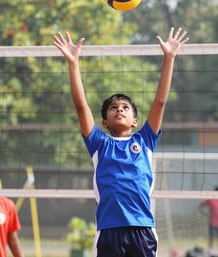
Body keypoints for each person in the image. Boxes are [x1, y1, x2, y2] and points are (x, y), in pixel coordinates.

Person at [53, 27, 189, 257]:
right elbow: (81, 106)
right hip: (109, 229)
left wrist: (169, 58)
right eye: (113, 108)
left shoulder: (144, 141)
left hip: (142, 228)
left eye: (125, 107)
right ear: (104, 122)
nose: (119, 110)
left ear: (135, 121)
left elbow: (160, 103)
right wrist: (73, 63)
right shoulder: (99, 144)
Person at [199, 185, 218, 256]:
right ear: (215, 192)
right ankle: (210, 251)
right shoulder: (211, 200)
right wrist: (206, 215)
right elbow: (201, 207)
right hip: (212, 222)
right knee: (211, 237)